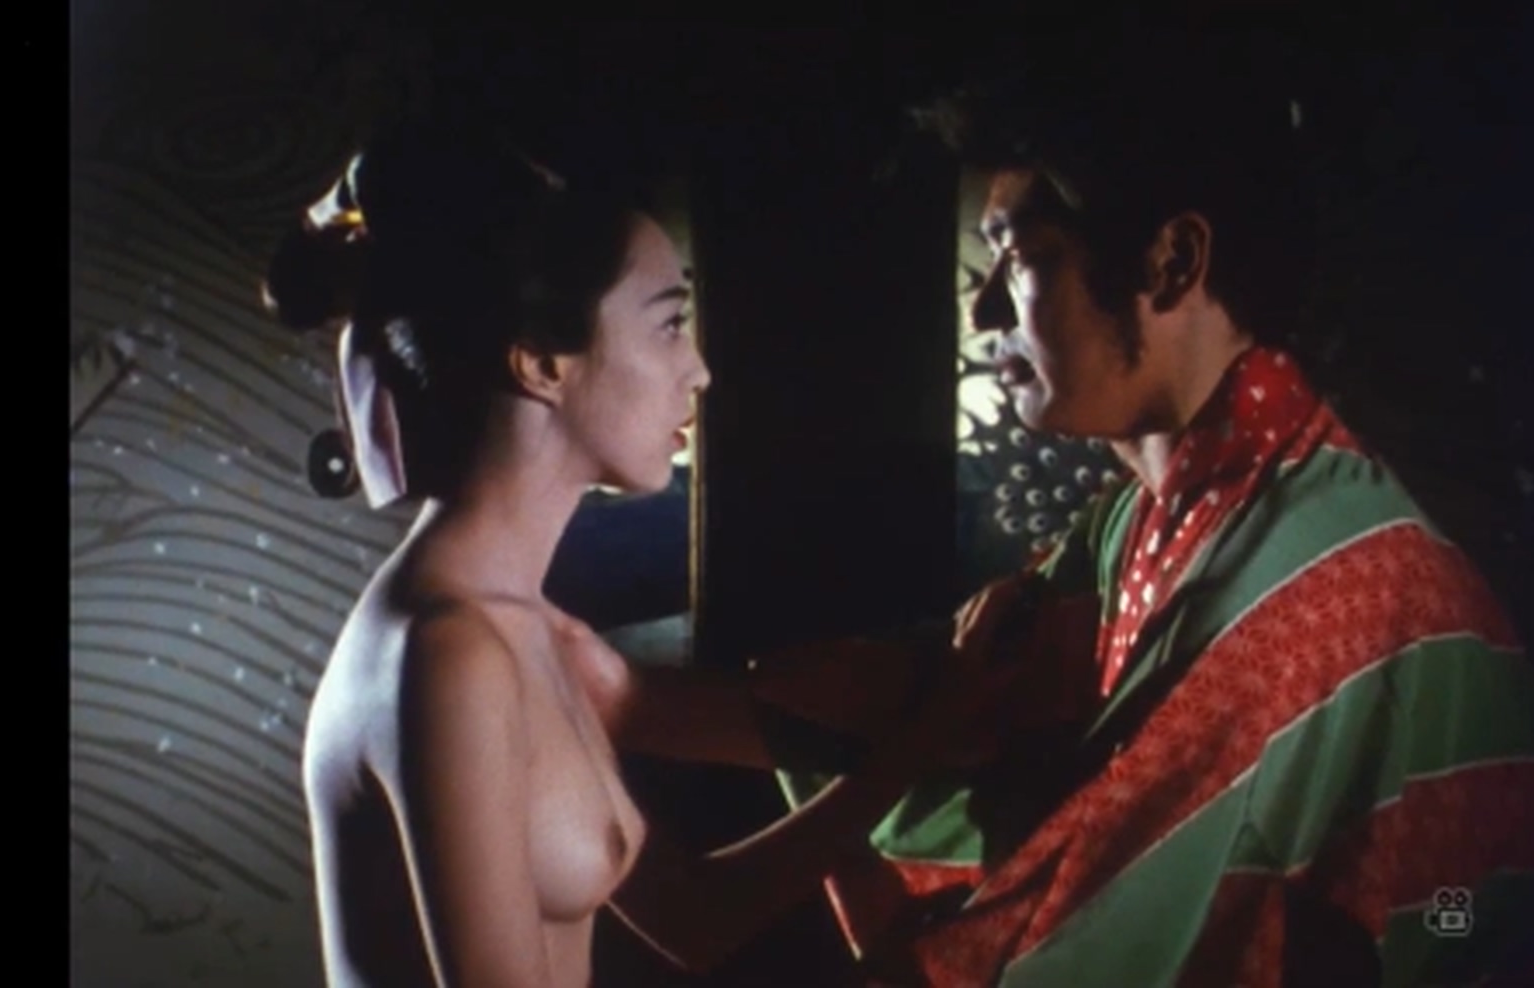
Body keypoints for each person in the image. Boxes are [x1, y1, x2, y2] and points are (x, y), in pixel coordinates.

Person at [599, 26, 1534, 988]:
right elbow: (952, 694)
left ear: (1170, 262)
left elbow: (1084, 922)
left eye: (1018, 259)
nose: (983, 309)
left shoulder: (1292, 588)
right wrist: (611, 699)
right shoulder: (1168, 508)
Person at [268, 113, 1020, 987]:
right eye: (668, 325)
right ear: (541, 364)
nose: (698, 371)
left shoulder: (540, 638)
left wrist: (924, 737)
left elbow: (697, 917)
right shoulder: (447, 655)